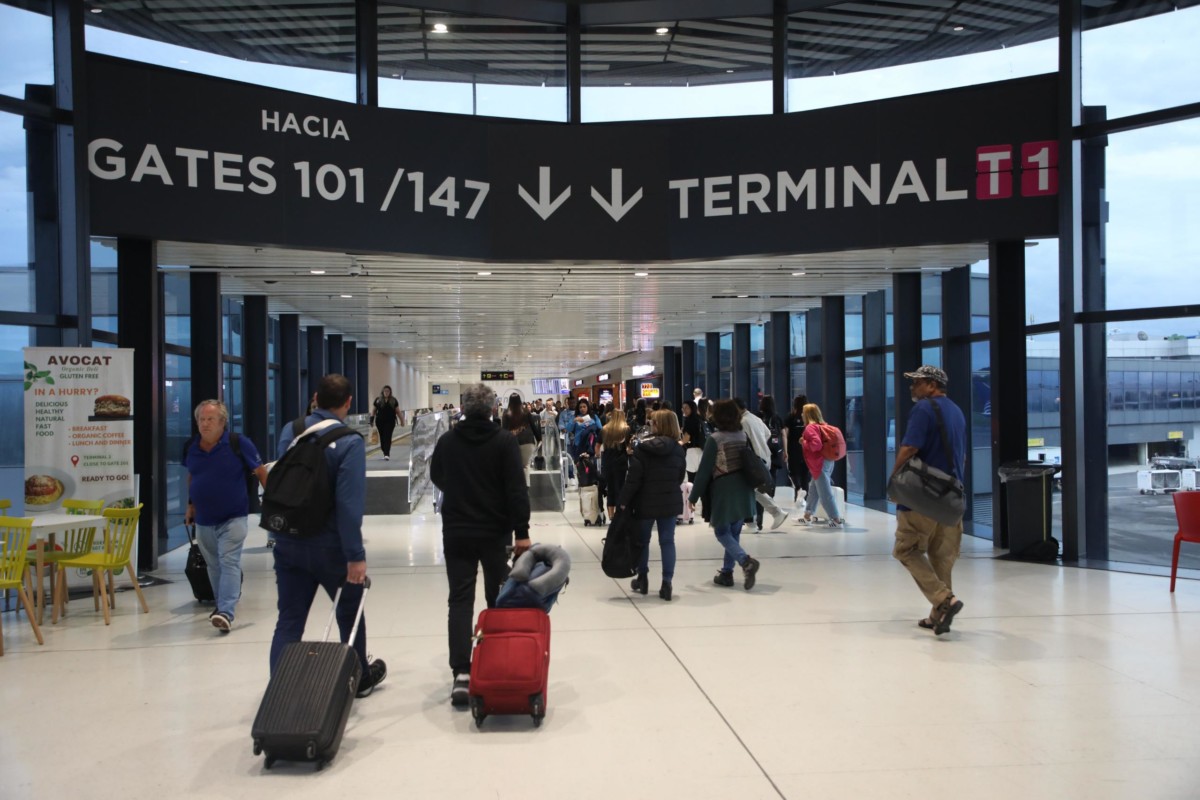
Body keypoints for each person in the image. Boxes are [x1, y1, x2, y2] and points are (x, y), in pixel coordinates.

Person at [271, 374, 388, 697]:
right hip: (330, 547)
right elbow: (348, 505)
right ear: (348, 403)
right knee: (349, 614)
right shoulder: (349, 441)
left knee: (289, 621)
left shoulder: (290, 432)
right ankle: (358, 678)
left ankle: (279, 691)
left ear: (315, 397)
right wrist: (355, 556)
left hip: (289, 541)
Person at [430, 383, 531, 705]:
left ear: (463, 407)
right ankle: (496, 660)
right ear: (492, 409)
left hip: (457, 531)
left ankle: (461, 672)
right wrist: (522, 533)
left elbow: (437, 476)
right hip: (494, 532)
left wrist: (461, 492)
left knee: (459, 599)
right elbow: (516, 489)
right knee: (497, 596)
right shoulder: (503, 441)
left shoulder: (447, 441)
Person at [891, 365, 967, 635]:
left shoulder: (924, 409)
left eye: (918, 382)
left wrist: (894, 480)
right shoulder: (956, 411)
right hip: (951, 499)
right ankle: (939, 615)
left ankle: (944, 600)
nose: (913, 387)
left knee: (906, 550)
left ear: (933, 385)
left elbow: (910, 447)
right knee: (941, 557)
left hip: (922, 497)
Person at [183, 399, 268, 633]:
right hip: (204, 519)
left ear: (222, 422)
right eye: (201, 419)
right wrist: (190, 505)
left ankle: (225, 611)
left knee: (229, 560)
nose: (205, 424)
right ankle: (222, 606)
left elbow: (261, 472)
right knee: (213, 565)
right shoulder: (191, 446)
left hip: (234, 516)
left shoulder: (238, 443)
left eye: (210, 419)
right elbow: (192, 476)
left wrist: (273, 501)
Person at [687, 399, 761, 590]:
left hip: (725, 488)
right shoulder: (742, 436)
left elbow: (704, 472)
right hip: (744, 488)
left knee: (721, 531)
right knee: (734, 532)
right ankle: (727, 573)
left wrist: (693, 497)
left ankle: (745, 561)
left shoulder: (715, 439)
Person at [617, 410, 686, 601]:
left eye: (653, 422)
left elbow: (633, 480)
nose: (651, 426)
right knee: (667, 541)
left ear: (659, 425)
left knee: (643, 541)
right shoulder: (679, 450)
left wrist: (623, 501)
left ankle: (643, 578)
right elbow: (680, 476)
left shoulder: (643, 449)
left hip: (645, 501)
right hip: (669, 500)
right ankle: (667, 583)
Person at [734, 398, 789, 531]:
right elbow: (768, 433)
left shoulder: (743, 421)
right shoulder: (754, 418)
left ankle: (773, 514)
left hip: (754, 459)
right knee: (752, 489)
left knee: (752, 489)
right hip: (764, 456)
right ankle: (752, 522)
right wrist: (760, 442)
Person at [799, 403, 845, 527]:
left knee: (825, 492)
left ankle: (836, 519)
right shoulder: (823, 426)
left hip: (818, 463)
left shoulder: (810, 428)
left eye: (803, 412)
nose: (802, 414)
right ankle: (807, 516)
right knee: (813, 489)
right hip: (828, 461)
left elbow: (816, 445)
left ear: (807, 414)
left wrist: (804, 442)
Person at [755, 395, 786, 530]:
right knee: (771, 480)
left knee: (759, 485)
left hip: (762, 453)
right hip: (775, 453)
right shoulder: (777, 417)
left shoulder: (758, 417)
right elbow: (783, 435)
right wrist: (785, 451)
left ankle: (759, 521)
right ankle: (771, 497)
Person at [599, 409, 632, 520]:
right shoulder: (625, 429)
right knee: (620, 487)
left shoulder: (604, 429)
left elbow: (599, 445)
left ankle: (611, 514)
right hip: (621, 461)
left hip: (607, 461)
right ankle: (620, 512)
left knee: (610, 488)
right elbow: (628, 447)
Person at [502, 393, 538, 485]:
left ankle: (516, 486)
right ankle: (526, 487)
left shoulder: (506, 413)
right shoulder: (526, 411)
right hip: (528, 442)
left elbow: (504, 430)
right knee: (526, 465)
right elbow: (534, 426)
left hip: (513, 442)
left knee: (514, 465)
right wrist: (539, 438)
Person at [783, 394, 811, 512]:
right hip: (806, 447)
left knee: (794, 471)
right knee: (805, 471)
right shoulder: (809, 416)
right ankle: (805, 496)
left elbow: (786, 433)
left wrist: (785, 450)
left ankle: (798, 490)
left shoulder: (791, 416)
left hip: (793, 448)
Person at [372, 385, 400, 460]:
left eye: (388, 391)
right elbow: (374, 410)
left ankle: (387, 453)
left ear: (390, 392)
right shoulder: (378, 400)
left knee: (388, 436)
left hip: (390, 422)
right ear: (382, 392)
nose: (386, 392)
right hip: (380, 422)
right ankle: (384, 450)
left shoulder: (393, 400)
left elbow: (398, 411)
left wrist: (402, 420)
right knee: (382, 437)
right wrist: (371, 419)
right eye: (385, 391)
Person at [680, 399, 705, 482]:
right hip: (701, 450)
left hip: (692, 452)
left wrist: (676, 443)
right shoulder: (700, 418)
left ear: (692, 408)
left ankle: (692, 494)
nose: (684, 410)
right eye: (683, 408)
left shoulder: (690, 420)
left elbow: (686, 439)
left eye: (686, 408)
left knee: (691, 478)